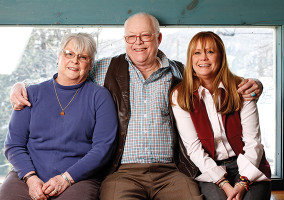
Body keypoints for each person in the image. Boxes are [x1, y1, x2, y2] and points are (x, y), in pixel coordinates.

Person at [9, 13, 263, 200]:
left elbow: (214, 81)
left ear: (158, 38)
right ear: (125, 40)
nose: (138, 43)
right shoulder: (107, 68)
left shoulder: (179, 72)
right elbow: (70, 73)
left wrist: (255, 85)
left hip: (171, 171)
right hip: (122, 171)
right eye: (131, 37)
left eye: (145, 36)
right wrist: (22, 86)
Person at [0, 33, 118, 200]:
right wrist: (31, 178)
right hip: (27, 176)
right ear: (58, 57)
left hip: (77, 178)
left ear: (91, 64)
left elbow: (103, 149)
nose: (74, 60)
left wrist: (66, 179)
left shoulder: (99, 97)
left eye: (82, 57)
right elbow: (13, 145)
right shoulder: (31, 93)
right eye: (69, 53)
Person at [170, 31, 271, 200]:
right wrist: (224, 184)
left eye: (210, 52)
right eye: (197, 53)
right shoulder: (180, 95)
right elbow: (194, 149)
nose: (203, 58)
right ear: (191, 58)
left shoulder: (241, 87)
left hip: (247, 164)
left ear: (221, 56)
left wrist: (242, 182)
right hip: (209, 169)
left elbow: (253, 142)